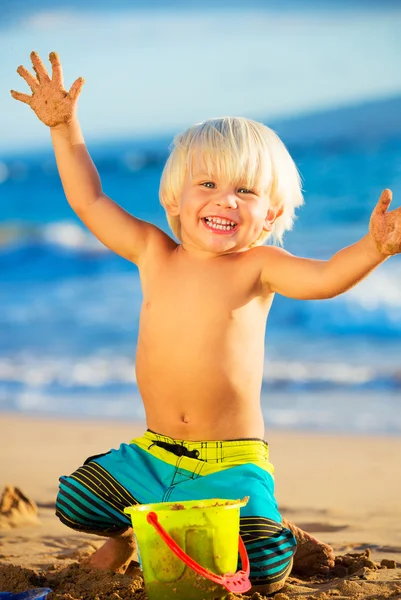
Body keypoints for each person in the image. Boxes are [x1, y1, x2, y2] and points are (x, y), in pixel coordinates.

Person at [11, 51, 400, 595]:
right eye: (209, 185)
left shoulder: (259, 266)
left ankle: (278, 532)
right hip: (153, 453)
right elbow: (89, 198)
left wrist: (374, 247)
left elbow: (326, 277)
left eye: (245, 191)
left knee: (261, 570)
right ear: (175, 195)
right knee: (76, 500)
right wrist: (63, 125)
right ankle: (134, 530)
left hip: (232, 465)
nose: (225, 201)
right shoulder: (153, 251)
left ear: (269, 214)